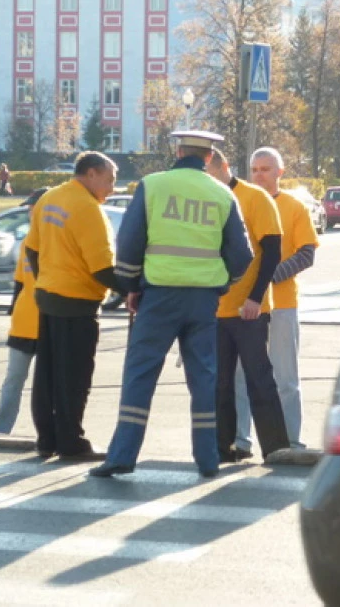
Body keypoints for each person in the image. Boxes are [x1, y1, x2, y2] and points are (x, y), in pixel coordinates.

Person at [89, 131, 253, 479]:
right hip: (202, 299)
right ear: (209, 158)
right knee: (204, 378)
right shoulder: (223, 194)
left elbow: (130, 242)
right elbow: (242, 256)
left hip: (159, 296)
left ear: (177, 152)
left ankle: (122, 455)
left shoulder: (152, 185)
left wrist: (131, 287)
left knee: (140, 374)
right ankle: (208, 460)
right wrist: (222, 284)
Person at [24, 151, 126, 462]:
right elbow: (103, 270)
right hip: (78, 302)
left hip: (49, 296)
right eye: (109, 180)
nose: (111, 188)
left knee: (47, 375)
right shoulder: (88, 209)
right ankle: (71, 441)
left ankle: (46, 439)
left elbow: (31, 249)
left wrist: (47, 280)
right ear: (92, 174)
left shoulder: (50, 198)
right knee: (75, 378)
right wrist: (136, 291)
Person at [206, 148, 290, 464]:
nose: (208, 179)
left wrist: (255, 297)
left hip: (249, 310)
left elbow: (271, 253)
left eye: (211, 172)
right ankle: (222, 448)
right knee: (219, 383)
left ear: (224, 167)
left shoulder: (256, 198)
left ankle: (276, 448)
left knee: (259, 379)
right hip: (215, 308)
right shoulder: (207, 198)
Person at [233, 147, 318, 453]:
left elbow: (306, 253)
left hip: (281, 304)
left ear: (280, 173)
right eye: (254, 169)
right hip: (245, 305)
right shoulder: (239, 202)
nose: (259, 175)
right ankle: (239, 440)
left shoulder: (294, 207)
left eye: (266, 169)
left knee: (285, 377)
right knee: (239, 376)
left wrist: (267, 277)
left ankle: (289, 441)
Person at [0, 187, 49, 435]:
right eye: (28, 207)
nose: (28, 211)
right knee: (13, 380)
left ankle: (47, 432)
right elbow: (20, 282)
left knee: (45, 385)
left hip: (49, 322)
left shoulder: (58, 241)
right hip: (24, 322)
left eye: (33, 207)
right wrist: (13, 312)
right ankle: (1, 430)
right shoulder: (27, 242)